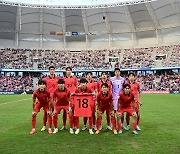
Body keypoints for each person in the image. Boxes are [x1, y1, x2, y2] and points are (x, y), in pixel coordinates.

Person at [41, 66, 60, 132]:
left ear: (54, 71)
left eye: (53, 69)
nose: (52, 71)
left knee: (55, 112)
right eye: (51, 69)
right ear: (49, 71)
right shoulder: (45, 79)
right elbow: (43, 88)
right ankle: (44, 126)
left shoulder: (58, 78)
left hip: (55, 98)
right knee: (46, 112)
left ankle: (54, 126)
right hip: (48, 98)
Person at [110, 68, 125, 134]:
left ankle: (122, 124)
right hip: (114, 97)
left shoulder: (123, 79)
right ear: (114, 73)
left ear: (120, 72)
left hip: (121, 98)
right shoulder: (111, 79)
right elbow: (110, 88)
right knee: (113, 111)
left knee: (121, 111)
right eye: (116, 72)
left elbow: (124, 88)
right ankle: (113, 124)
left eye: (118, 72)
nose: (117, 73)